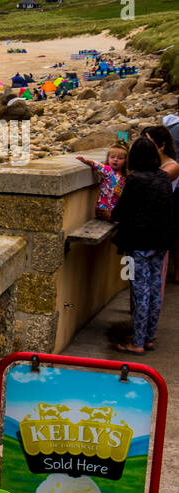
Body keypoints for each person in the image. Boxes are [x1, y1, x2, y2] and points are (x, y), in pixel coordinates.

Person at [110, 139, 173, 354]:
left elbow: (121, 211)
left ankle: (136, 343)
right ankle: (148, 337)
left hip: (139, 243)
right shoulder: (164, 177)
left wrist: (109, 214)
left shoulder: (135, 180)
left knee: (140, 290)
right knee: (155, 289)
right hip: (161, 241)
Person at [75, 145, 128, 220]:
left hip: (115, 208)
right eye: (112, 157)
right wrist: (86, 161)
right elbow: (98, 165)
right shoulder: (108, 171)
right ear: (108, 159)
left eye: (120, 158)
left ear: (125, 161)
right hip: (104, 208)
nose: (115, 160)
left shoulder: (124, 176)